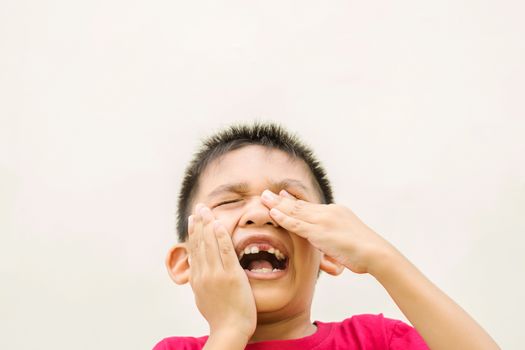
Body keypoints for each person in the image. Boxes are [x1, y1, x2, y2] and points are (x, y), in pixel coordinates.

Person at [154, 122, 499, 350]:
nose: (260, 213)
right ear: (185, 263)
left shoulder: (376, 342)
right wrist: (229, 330)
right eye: (229, 201)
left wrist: (382, 258)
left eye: (291, 203)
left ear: (331, 252)